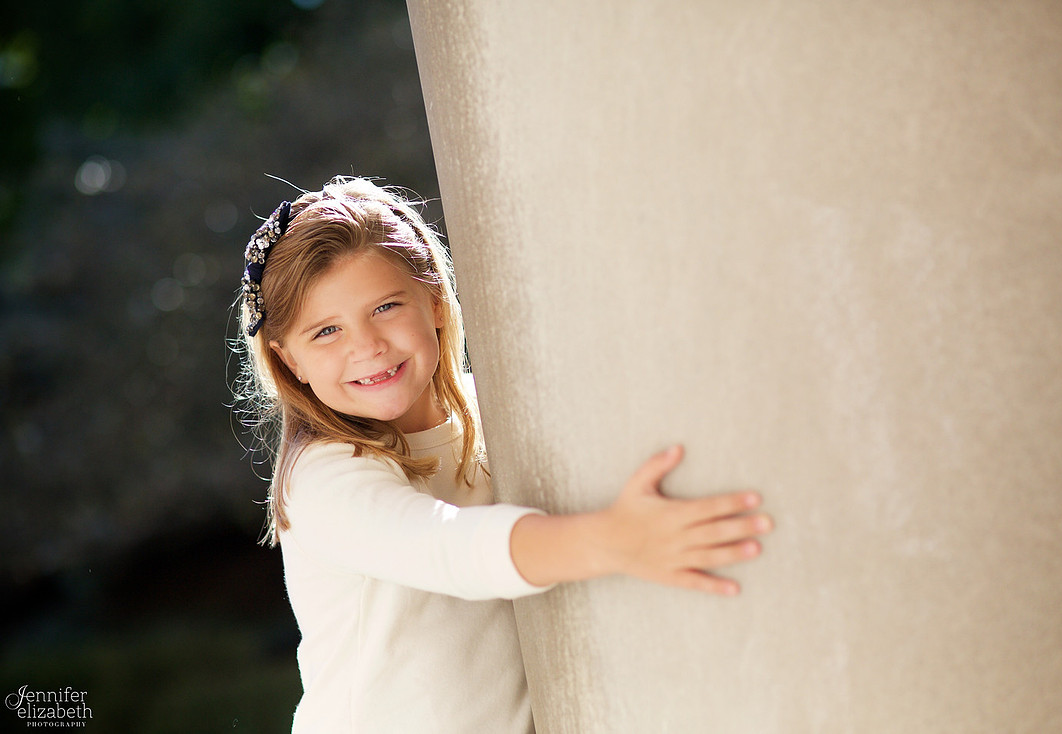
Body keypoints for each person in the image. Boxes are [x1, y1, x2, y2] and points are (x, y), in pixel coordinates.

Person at [233, 176, 773, 733]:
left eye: (387, 306)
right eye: (326, 332)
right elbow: (448, 547)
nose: (366, 346)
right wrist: (618, 540)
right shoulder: (322, 477)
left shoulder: (496, 409)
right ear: (289, 361)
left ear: (436, 302)